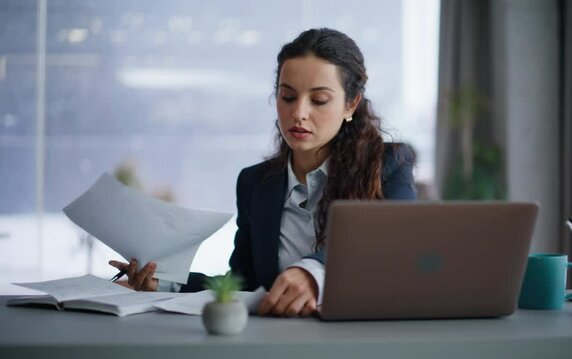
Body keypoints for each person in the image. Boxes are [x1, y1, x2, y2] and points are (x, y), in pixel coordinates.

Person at [109, 28, 417, 317]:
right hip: (278, 343)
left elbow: (399, 244)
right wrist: (165, 283)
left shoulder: (389, 164)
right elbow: (244, 285)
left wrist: (315, 272)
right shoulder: (255, 183)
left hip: (362, 339)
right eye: (288, 96)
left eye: (319, 100)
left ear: (351, 105)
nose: (299, 113)